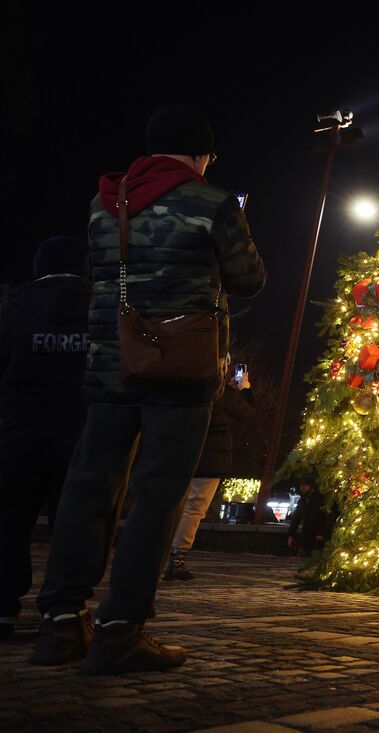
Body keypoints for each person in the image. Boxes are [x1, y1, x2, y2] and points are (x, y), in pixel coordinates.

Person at [33, 106, 266, 673]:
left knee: (89, 489)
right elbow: (249, 280)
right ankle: (119, 630)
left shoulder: (104, 203)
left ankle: (61, 623)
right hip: (180, 370)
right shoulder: (211, 203)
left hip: (110, 364)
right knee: (158, 497)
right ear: (199, 154)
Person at [0, 238, 92, 639]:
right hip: (81, 437)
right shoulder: (98, 308)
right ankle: (62, 611)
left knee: (9, 525)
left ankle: (2, 609)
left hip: (19, 436)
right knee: (72, 528)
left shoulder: (14, 310)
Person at [165, 365, 255, 580]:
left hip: (178, 454)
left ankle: (156, 556)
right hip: (210, 459)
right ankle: (176, 559)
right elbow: (249, 414)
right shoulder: (221, 392)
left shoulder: (181, 384)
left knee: (171, 505)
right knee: (194, 509)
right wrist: (244, 389)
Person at [286, 477, 335, 557]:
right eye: (301, 485)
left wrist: (323, 534)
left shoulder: (321, 499)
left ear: (311, 486)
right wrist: (291, 535)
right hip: (306, 537)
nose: (302, 487)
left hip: (319, 538)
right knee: (300, 559)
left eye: (305, 485)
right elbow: (296, 518)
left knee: (315, 562)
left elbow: (329, 519)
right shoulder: (303, 499)